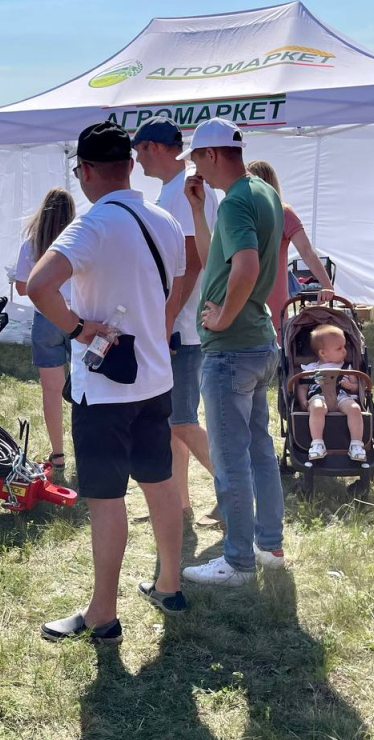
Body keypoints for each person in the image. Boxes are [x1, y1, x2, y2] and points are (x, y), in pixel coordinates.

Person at [28, 121, 188, 643]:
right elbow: (179, 280)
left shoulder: (92, 224)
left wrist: (77, 328)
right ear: (129, 165)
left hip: (105, 387)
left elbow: (38, 285)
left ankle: (103, 613)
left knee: (105, 497)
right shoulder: (163, 217)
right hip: (154, 376)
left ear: (88, 171)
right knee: (160, 483)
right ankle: (169, 583)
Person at [179, 119, 286, 587]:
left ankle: (238, 562)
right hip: (259, 343)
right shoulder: (261, 192)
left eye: (197, 158)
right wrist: (199, 211)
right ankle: (269, 544)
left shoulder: (239, 200)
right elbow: (216, 259)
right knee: (260, 451)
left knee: (231, 461)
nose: (195, 169)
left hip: (232, 348)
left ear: (214, 154)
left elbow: (246, 264)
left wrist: (221, 317)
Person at [132, 116, 220, 529]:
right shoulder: (177, 188)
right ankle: (178, 505)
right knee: (172, 423)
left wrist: (166, 319)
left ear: (151, 147)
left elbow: (193, 257)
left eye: (138, 151)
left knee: (182, 419)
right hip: (181, 322)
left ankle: (239, 492)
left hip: (183, 325)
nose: (136, 160)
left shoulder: (183, 190)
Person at [13, 187, 77, 481]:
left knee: (51, 393)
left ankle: (58, 455)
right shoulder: (79, 239)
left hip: (46, 318)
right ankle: (87, 450)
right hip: (77, 316)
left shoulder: (32, 244)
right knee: (86, 390)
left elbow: (22, 287)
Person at [245, 160, 334, 336]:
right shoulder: (242, 213)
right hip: (245, 290)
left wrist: (327, 285)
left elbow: (307, 252)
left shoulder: (283, 213)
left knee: (274, 344)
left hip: (271, 292)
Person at [298, 324, 367, 462]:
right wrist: (302, 400)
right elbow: (302, 387)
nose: (344, 351)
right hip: (319, 396)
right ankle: (317, 443)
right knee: (317, 408)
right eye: (339, 348)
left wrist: (350, 385)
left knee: (355, 409)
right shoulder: (312, 368)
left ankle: (356, 444)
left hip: (342, 396)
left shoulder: (347, 368)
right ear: (323, 353)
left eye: (344, 347)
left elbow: (357, 387)